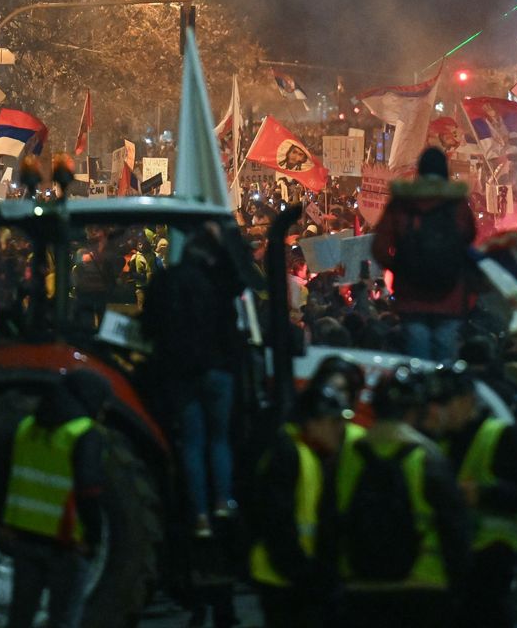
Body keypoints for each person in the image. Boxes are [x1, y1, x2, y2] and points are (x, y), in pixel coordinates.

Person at [335, 366, 471, 628]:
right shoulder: (428, 457)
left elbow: (330, 521)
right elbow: (454, 530)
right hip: (423, 589)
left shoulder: (347, 456)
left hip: (359, 588)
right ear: (415, 410)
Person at [141, 222, 253, 537]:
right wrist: (226, 241)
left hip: (180, 373)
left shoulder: (165, 281)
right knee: (219, 439)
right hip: (217, 369)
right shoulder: (218, 282)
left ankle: (200, 515)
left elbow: (148, 326)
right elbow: (245, 277)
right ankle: (222, 500)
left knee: (192, 442)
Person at [0, 370, 109, 628]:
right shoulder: (84, 433)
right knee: (62, 620)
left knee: (20, 618)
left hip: (24, 540)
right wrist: (92, 538)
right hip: (68, 546)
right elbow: (88, 491)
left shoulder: (26, 427)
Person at [427, 364, 517, 628]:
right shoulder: (441, 442)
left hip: (492, 561)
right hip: (453, 561)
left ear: (468, 400)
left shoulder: (502, 435)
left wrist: (485, 494)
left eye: (446, 402)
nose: (439, 411)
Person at [249, 386, 351, 627]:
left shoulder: (309, 454)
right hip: (284, 582)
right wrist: (307, 577)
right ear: (311, 422)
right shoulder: (287, 454)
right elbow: (277, 522)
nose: (340, 430)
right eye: (334, 422)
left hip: (296, 579)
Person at [373, 147, 476, 362]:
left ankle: (419, 392)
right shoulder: (457, 204)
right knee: (445, 358)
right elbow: (469, 237)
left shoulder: (401, 204)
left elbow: (379, 248)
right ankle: (443, 393)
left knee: (417, 357)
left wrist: (401, 268)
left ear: (419, 171)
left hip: (411, 297)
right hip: (451, 295)